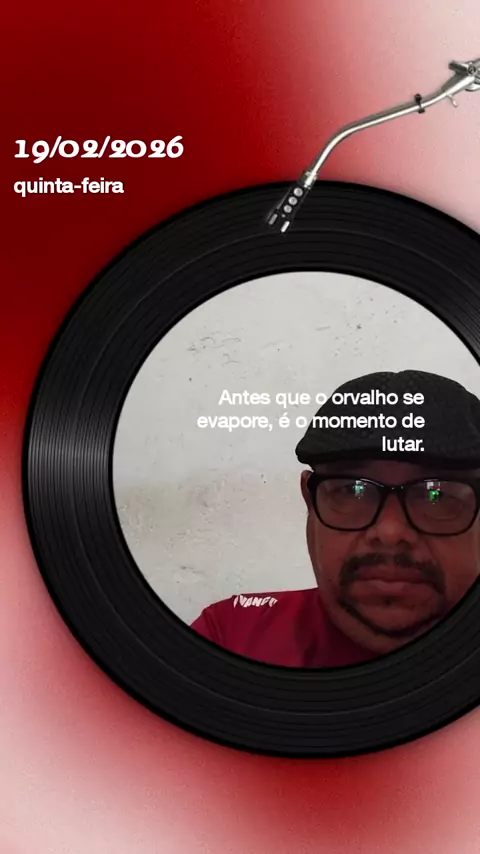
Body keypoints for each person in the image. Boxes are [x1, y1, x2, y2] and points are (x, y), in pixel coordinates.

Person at [191, 370, 480, 667]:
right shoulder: (230, 639)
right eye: (352, 490)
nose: (390, 532)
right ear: (310, 501)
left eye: (436, 494)